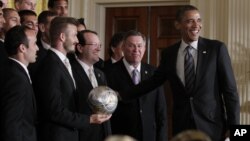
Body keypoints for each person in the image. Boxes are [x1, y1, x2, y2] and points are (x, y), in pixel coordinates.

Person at [121, 5, 240, 141]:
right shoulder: (169, 53)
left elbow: (231, 91)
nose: (196, 25)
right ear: (178, 25)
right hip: (182, 128)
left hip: (213, 127)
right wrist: (121, 95)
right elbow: (153, 82)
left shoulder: (216, 49)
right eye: (190, 21)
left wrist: (236, 130)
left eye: (199, 20)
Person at [33, 17, 110, 141]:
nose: (76, 40)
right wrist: (89, 119)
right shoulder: (50, 64)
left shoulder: (62, 62)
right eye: (74, 35)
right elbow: (54, 110)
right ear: (62, 37)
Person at [105, 30, 167, 141]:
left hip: (149, 136)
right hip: (121, 136)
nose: (136, 50)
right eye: (131, 46)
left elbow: (161, 111)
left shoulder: (154, 72)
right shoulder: (109, 73)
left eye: (139, 46)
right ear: (123, 48)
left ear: (144, 49)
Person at [69, 30, 111, 141]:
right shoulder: (70, 71)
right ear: (80, 48)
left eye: (99, 45)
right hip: (82, 135)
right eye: (94, 45)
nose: (99, 49)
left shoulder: (100, 74)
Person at [0, 25, 38, 141]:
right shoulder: (16, 78)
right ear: (22, 48)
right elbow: (11, 124)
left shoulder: (11, 70)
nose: (37, 48)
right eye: (34, 44)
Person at [28, 10, 57, 80]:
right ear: (42, 27)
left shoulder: (65, 51)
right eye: (54, 25)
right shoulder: (31, 50)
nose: (58, 29)